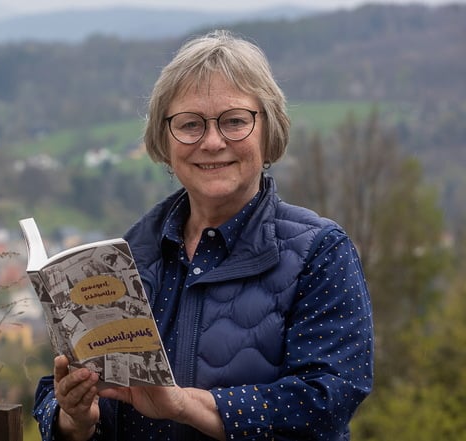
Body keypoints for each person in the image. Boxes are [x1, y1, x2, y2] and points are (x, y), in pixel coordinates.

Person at [32, 29, 374, 440]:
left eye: (234, 121)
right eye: (190, 124)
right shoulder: (130, 254)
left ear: (269, 131)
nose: (212, 142)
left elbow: (325, 401)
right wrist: (74, 419)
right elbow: (57, 394)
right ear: (165, 139)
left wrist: (184, 405)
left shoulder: (319, 252)